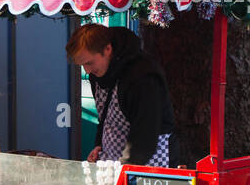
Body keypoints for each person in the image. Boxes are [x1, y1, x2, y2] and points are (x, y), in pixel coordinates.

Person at [66, 23, 176, 166]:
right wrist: (99, 144)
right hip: (114, 160)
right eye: (82, 65)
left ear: (108, 49)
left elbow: (145, 134)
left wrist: (126, 169)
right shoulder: (97, 74)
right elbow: (105, 118)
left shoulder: (143, 77)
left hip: (149, 161)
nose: (87, 71)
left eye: (89, 63)